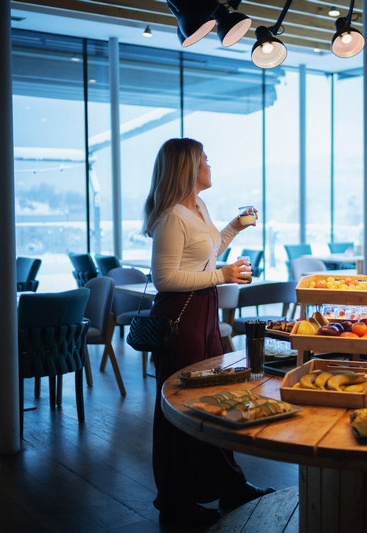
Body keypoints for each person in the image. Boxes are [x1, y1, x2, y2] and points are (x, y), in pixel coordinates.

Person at [142, 138, 273, 527]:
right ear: (187, 168)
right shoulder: (171, 216)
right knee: (177, 407)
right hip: (180, 320)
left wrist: (234, 228)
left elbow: (209, 251)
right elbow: (163, 278)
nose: (210, 165)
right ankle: (174, 503)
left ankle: (228, 486)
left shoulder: (197, 207)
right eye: (204, 160)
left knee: (212, 399)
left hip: (202, 313)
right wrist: (223, 275)